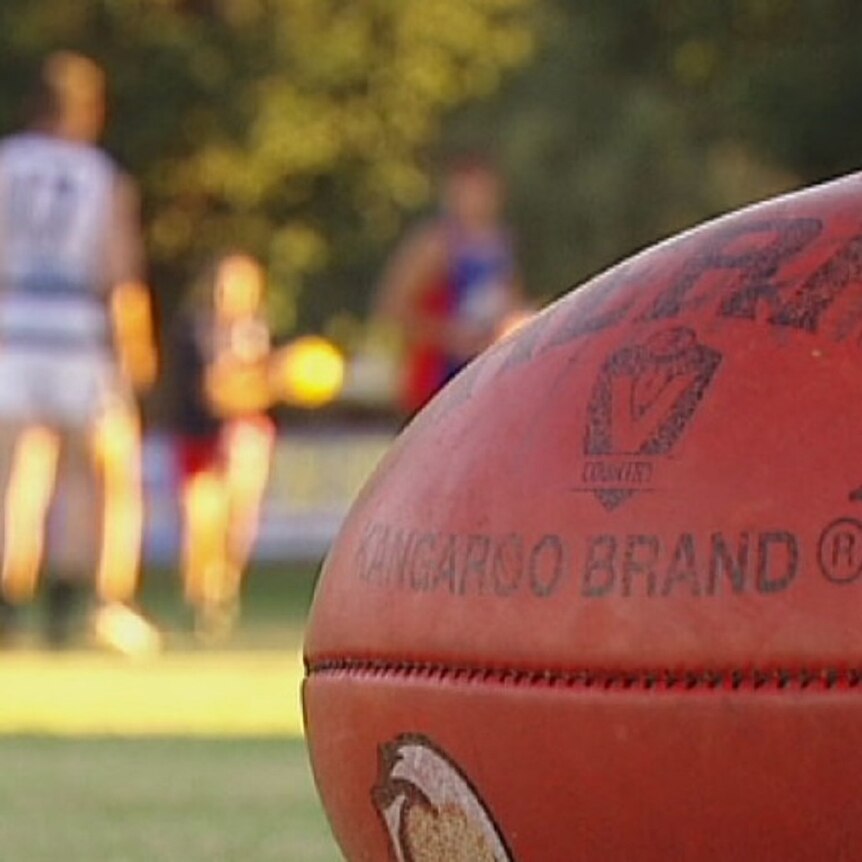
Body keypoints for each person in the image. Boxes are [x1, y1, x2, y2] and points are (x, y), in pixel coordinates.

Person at [0, 52, 158, 649]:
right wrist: (136, 350)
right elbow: (120, 272)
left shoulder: (7, 164)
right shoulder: (99, 175)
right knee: (96, 479)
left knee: (16, 476)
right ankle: (84, 605)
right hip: (79, 333)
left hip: (13, 328)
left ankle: (10, 603)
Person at [171, 252, 275, 641]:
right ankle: (201, 599)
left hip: (247, 435)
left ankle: (223, 593)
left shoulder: (261, 332)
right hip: (201, 438)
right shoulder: (194, 332)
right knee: (202, 522)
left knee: (238, 521)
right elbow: (212, 393)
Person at [375, 155, 525, 416]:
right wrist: (451, 336)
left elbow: (508, 302)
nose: (478, 201)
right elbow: (393, 309)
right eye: (469, 191)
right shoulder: (435, 246)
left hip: (484, 378)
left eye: (484, 191)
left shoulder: (500, 245)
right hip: (437, 380)